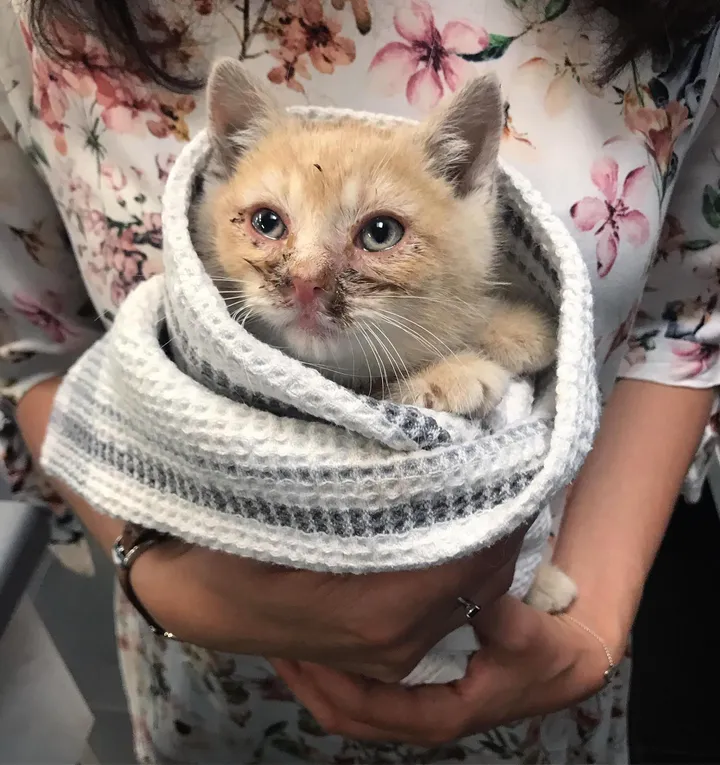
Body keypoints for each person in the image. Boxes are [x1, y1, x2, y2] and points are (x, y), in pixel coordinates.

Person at [1, 0, 719, 761]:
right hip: (219, 694)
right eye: (269, 223)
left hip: (527, 688)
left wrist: (589, 625)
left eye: (379, 231)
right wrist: (173, 587)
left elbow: (681, 319)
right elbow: (34, 351)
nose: (305, 277)